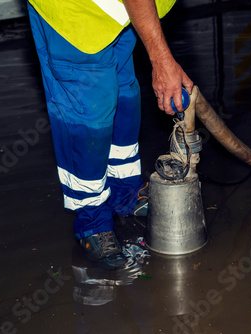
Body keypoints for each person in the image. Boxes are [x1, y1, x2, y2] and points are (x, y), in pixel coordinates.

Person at [27, 0, 193, 269]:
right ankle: (92, 222)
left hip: (117, 13)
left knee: (124, 92)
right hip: (75, 15)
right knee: (88, 112)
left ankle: (124, 193)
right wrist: (162, 59)